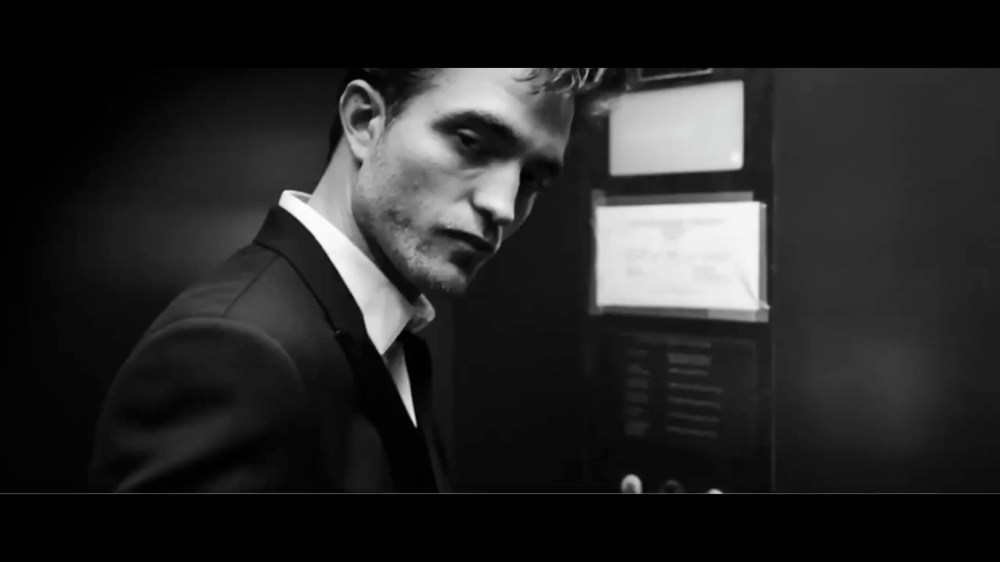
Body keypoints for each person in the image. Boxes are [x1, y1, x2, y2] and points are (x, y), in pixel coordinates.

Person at [89, 67, 611, 493]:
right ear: (365, 120)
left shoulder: (381, 332)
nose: (503, 205)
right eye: (471, 142)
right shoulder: (233, 351)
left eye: (532, 178)